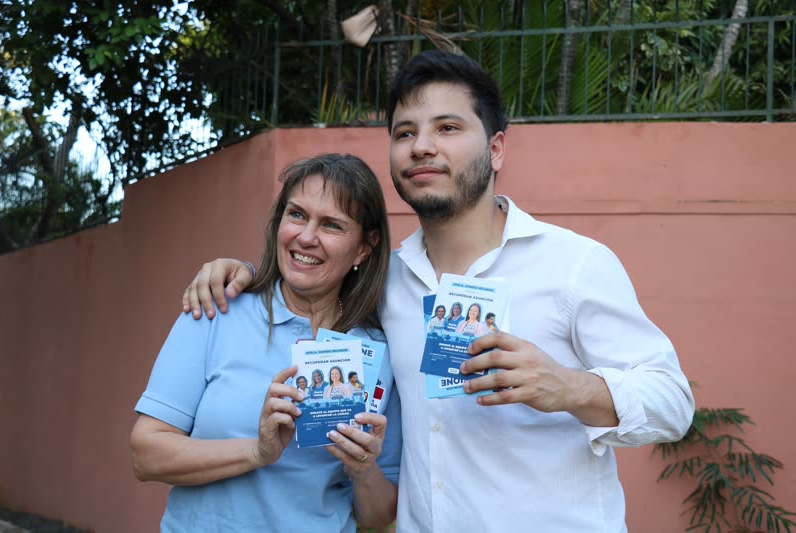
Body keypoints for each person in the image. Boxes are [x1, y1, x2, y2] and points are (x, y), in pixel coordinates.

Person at [181, 50, 694, 532]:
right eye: (405, 132)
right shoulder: (387, 281)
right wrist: (246, 272)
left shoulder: (574, 263)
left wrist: (567, 387)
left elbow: (672, 402)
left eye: (448, 128)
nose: (422, 145)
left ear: (495, 149)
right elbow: (315, 273)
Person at [131, 154, 401, 532]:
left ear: (364, 248)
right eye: (296, 215)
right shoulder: (217, 308)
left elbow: (380, 515)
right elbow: (146, 455)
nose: (306, 236)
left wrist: (362, 469)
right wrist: (258, 452)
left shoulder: (377, 352)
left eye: (332, 225)